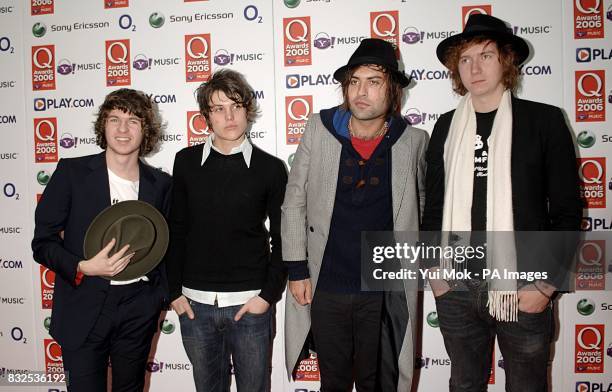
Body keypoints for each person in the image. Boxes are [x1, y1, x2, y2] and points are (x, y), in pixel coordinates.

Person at [422, 14, 582, 391]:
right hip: (456, 286)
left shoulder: (543, 121)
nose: (474, 68)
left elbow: (566, 210)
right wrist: (435, 275)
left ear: (506, 61)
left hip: (524, 284)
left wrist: (545, 285)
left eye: (486, 56)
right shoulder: (445, 126)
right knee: (464, 384)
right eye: (465, 59)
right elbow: (433, 206)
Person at [283, 38, 428, 391]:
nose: (361, 91)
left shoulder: (414, 141)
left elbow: (420, 208)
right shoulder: (319, 128)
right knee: (332, 381)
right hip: (326, 283)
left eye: (374, 82)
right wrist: (296, 269)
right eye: (354, 81)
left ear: (392, 90)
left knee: (375, 382)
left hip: (382, 289)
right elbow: (294, 200)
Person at [32, 88, 171, 392]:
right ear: (103, 126)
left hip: (138, 307)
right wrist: (83, 266)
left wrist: (157, 297)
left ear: (145, 130)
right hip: (84, 304)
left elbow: (168, 246)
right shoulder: (72, 172)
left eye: (133, 120)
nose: (123, 129)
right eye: (114, 119)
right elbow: (42, 243)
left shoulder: (161, 185)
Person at [165, 69, 287, 392]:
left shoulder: (271, 168)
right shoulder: (185, 162)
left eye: (235, 105)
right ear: (206, 116)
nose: (229, 116)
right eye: (219, 109)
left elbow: (283, 237)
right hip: (195, 306)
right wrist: (173, 293)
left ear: (248, 109)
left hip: (251, 304)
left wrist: (267, 296)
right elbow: (175, 230)